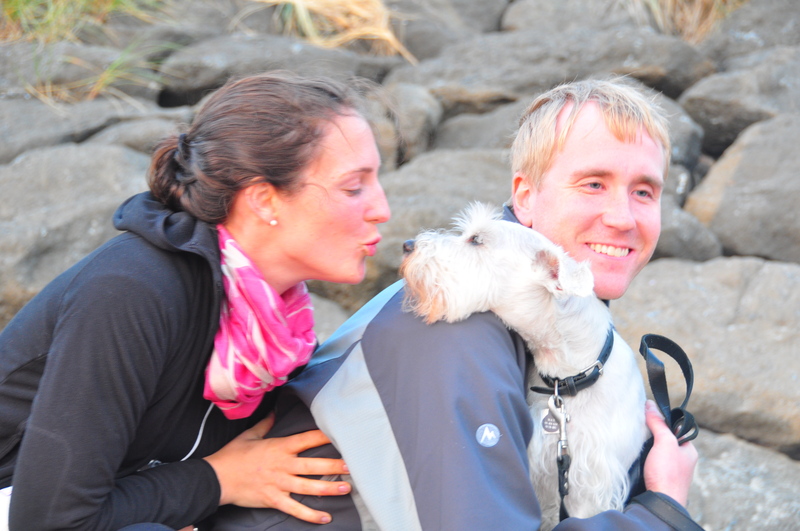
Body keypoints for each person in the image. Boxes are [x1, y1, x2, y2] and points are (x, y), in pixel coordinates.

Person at [210, 78, 701, 530]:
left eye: (644, 191)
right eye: (593, 184)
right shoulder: (454, 333)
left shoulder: (566, 331)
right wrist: (662, 510)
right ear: (525, 198)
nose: (622, 217)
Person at [0, 71, 391, 530]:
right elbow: (49, 519)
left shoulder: (275, 327)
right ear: (264, 200)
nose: (382, 209)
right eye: (353, 188)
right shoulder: (132, 290)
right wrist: (217, 481)